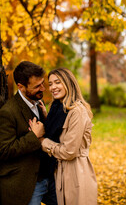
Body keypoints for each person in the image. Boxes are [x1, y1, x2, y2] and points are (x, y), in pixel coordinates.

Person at [30, 68, 97, 205]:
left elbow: (69, 151)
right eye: (51, 84)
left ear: (68, 83)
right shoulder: (58, 108)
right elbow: (61, 134)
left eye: (58, 82)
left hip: (76, 172)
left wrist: (41, 140)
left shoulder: (77, 112)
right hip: (61, 171)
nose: (53, 87)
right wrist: (47, 117)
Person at [0, 61, 57, 205]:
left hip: (49, 179)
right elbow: (3, 151)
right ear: (21, 87)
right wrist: (33, 137)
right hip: (25, 185)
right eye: (37, 86)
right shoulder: (7, 113)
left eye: (42, 83)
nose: (43, 88)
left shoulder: (38, 104)